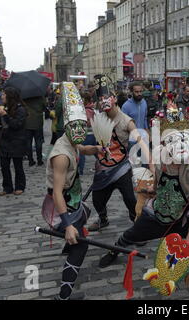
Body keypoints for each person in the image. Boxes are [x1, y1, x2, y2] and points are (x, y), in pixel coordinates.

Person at [98, 113, 189, 300]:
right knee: (129, 235)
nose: (179, 144)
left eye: (184, 138)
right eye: (172, 140)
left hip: (186, 217)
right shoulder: (160, 158)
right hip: (158, 214)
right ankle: (115, 250)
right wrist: (148, 192)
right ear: (163, 143)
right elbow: (156, 182)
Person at [42, 82, 102, 300]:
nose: (79, 131)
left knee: (85, 211)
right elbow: (57, 192)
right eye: (74, 127)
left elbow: (81, 147)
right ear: (66, 127)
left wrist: (94, 149)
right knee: (80, 246)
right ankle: (64, 296)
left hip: (74, 202)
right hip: (62, 206)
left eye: (82, 126)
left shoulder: (71, 140)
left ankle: (70, 244)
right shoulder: (61, 156)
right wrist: (67, 226)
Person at [87, 85, 154, 232]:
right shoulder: (100, 118)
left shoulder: (126, 121)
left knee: (130, 199)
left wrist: (150, 161)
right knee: (97, 198)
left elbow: (140, 141)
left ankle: (138, 225)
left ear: (115, 99)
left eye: (106, 99)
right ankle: (102, 219)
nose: (104, 102)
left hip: (121, 167)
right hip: (103, 166)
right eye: (101, 100)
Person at [0, 87, 28, 196]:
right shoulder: (5, 107)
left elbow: (16, 125)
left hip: (17, 141)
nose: (2, 96)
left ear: (10, 96)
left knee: (17, 165)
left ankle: (20, 186)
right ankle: (7, 187)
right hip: (5, 140)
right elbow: (2, 124)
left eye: (4, 94)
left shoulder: (21, 109)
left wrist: (5, 115)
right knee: (4, 165)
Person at [121, 82, 149, 152]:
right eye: (136, 92)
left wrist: (147, 130)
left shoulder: (144, 103)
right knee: (133, 161)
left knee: (144, 161)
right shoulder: (126, 106)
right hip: (132, 140)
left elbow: (145, 118)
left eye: (140, 91)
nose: (139, 94)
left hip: (143, 138)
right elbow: (122, 125)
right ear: (131, 92)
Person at [77, 92, 96, 175]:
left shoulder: (87, 110)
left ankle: (79, 171)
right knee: (95, 151)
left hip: (87, 134)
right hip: (92, 134)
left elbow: (89, 122)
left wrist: (81, 120)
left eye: (82, 99)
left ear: (86, 100)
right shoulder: (91, 108)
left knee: (81, 151)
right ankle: (105, 165)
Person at [24, 96, 47, 167]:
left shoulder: (25, 97)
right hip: (38, 122)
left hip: (27, 122)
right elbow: (44, 107)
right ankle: (39, 160)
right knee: (38, 142)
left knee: (28, 143)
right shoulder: (40, 97)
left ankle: (30, 160)